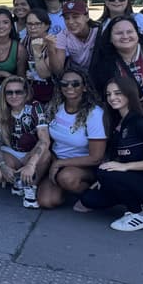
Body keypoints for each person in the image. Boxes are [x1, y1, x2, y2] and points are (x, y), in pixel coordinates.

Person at [79, 76, 143, 231]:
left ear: (129, 93)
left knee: (104, 172)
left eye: (118, 93)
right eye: (109, 94)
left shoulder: (142, 122)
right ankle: (140, 203)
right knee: (89, 199)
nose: (112, 98)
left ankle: (139, 214)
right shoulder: (117, 122)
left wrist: (124, 167)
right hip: (134, 180)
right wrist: (109, 178)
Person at [89, 15, 143, 154]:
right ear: (110, 37)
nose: (125, 36)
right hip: (132, 116)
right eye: (119, 33)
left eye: (130, 31)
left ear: (137, 33)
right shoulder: (106, 64)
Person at [37, 68, 106, 209]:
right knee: (47, 201)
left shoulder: (94, 114)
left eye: (75, 84)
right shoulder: (55, 107)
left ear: (84, 87)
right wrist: (54, 161)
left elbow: (96, 158)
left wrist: (60, 164)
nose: (69, 87)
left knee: (66, 178)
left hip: (83, 165)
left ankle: (92, 196)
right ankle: (64, 188)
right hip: (57, 160)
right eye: (65, 84)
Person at [0, 76, 51, 208]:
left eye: (18, 92)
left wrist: (31, 164)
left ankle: (30, 185)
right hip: (12, 151)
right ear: (4, 95)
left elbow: (44, 139)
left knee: (46, 153)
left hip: (32, 151)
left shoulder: (35, 107)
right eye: (9, 92)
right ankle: (18, 181)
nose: (14, 96)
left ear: (26, 93)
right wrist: (3, 165)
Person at [49, 0, 99, 75]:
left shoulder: (99, 32)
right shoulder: (63, 35)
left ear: (87, 17)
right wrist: (51, 50)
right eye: (66, 18)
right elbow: (58, 70)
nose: (70, 22)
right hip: (76, 75)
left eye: (75, 17)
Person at [23, 9, 56, 103]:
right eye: (29, 24)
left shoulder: (52, 42)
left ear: (47, 25)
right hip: (30, 88)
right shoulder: (26, 40)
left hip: (50, 90)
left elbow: (45, 74)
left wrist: (37, 52)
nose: (33, 27)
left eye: (37, 24)